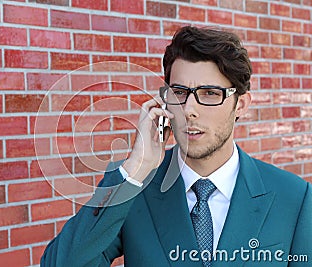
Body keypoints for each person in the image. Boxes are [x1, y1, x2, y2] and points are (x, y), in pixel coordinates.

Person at [41, 26, 312, 267]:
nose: (189, 110)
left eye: (209, 94)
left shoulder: (294, 197)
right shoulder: (135, 189)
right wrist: (136, 169)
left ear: (240, 104)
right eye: (179, 93)